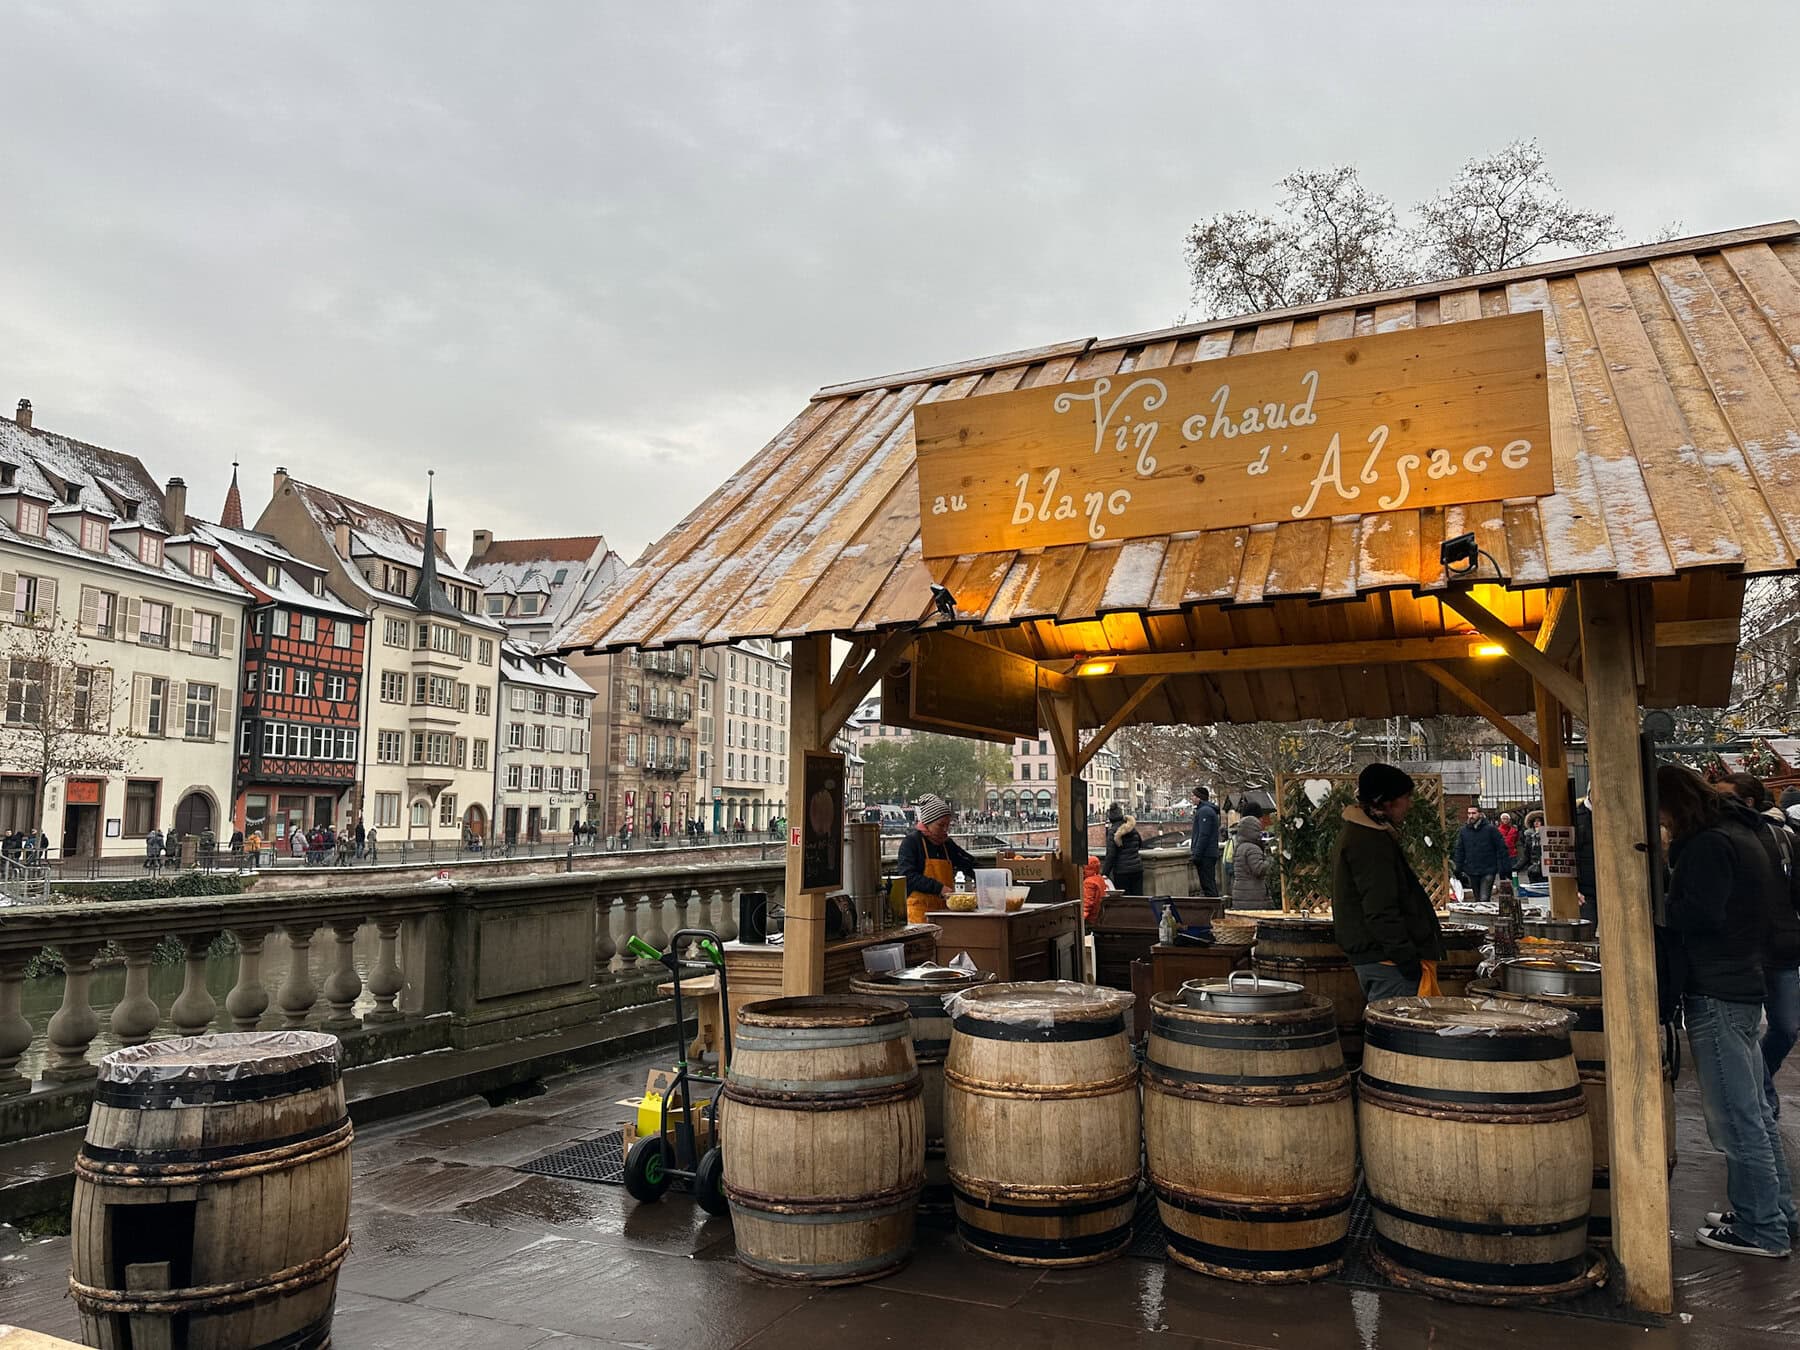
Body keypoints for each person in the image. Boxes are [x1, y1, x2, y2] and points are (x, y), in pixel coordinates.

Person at [1658, 763, 1798, 1257]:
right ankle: (1774, 1210)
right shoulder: (1743, 831)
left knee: (1736, 1118)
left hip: (1717, 987)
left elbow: (1700, 914)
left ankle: (1762, 1228)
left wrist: (1658, 904)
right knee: (1755, 1112)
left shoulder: (1708, 844)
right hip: (1742, 981)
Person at [1719, 774, 1800, 1116]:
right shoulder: (1719, 841)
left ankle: (1760, 1078)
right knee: (1746, 1032)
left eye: (1725, 797)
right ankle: (1764, 1094)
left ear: (1748, 802)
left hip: (1780, 949)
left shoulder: (1784, 840)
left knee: (1786, 1027)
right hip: (1741, 952)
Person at [1331, 763, 1444, 1003]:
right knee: (1396, 1036)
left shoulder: (1363, 833)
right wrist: (1406, 958)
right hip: (1387, 962)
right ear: (1387, 801)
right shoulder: (1369, 841)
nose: (1409, 804)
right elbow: (1380, 908)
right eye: (1405, 798)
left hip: (1380, 957)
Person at [899, 794, 979, 925]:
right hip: (919, 916)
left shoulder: (947, 844)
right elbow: (907, 876)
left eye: (948, 825)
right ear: (928, 823)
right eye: (941, 825)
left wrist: (983, 880)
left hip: (944, 914)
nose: (945, 830)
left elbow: (968, 863)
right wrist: (939, 888)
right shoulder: (912, 842)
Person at [1452, 805, 1512, 906]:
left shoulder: (1490, 829)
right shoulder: (1464, 831)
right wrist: (1458, 868)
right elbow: (1460, 850)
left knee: (1484, 898)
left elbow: (1502, 848)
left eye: (1474, 813)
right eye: (1469, 813)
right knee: (1478, 899)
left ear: (1480, 814)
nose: (1471, 816)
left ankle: (1485, 917)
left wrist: (1505, 869)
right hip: (1472, 870)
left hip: (1488, 869)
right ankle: (1482, 919)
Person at [1229, 815, 1272, 908]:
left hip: (1240, 895)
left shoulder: (1239, 847)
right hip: (1254, 897)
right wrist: (1269, 859)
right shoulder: (1253, 849)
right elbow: (1259, 870)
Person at [1102, 803, 1144, 897]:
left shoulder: (1112, 832)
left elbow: (1111, 855)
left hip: (1122, 871)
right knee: (1139, 899)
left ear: (1111, 819)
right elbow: (1140, 843)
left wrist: (1105, 873)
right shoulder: (1132, 829)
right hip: (1137, 869)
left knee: (1125, 901)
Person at [1574, 784, 1599, 929]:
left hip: (1613, 887)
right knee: (1586, 932)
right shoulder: (1576, 818)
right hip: (1585, 890)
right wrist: (1573, 888)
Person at [1189, 787, 1221, 898]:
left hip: (1206, 855)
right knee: (1209, 884)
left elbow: (1204, 835)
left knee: (1208, 885)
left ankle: (1214, 911)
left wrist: (1197, 854)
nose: (1191, 798)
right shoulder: (1205, 810)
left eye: (1193, 796)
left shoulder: (1204, 811)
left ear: (1199, 797)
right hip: (1209, 853)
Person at [1081, 855, 1107, 923]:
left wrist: (1080, 920)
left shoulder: (1089, 882)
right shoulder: (1099, 878)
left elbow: (1087, 904)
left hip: (1092, 918)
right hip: (1100, 916)